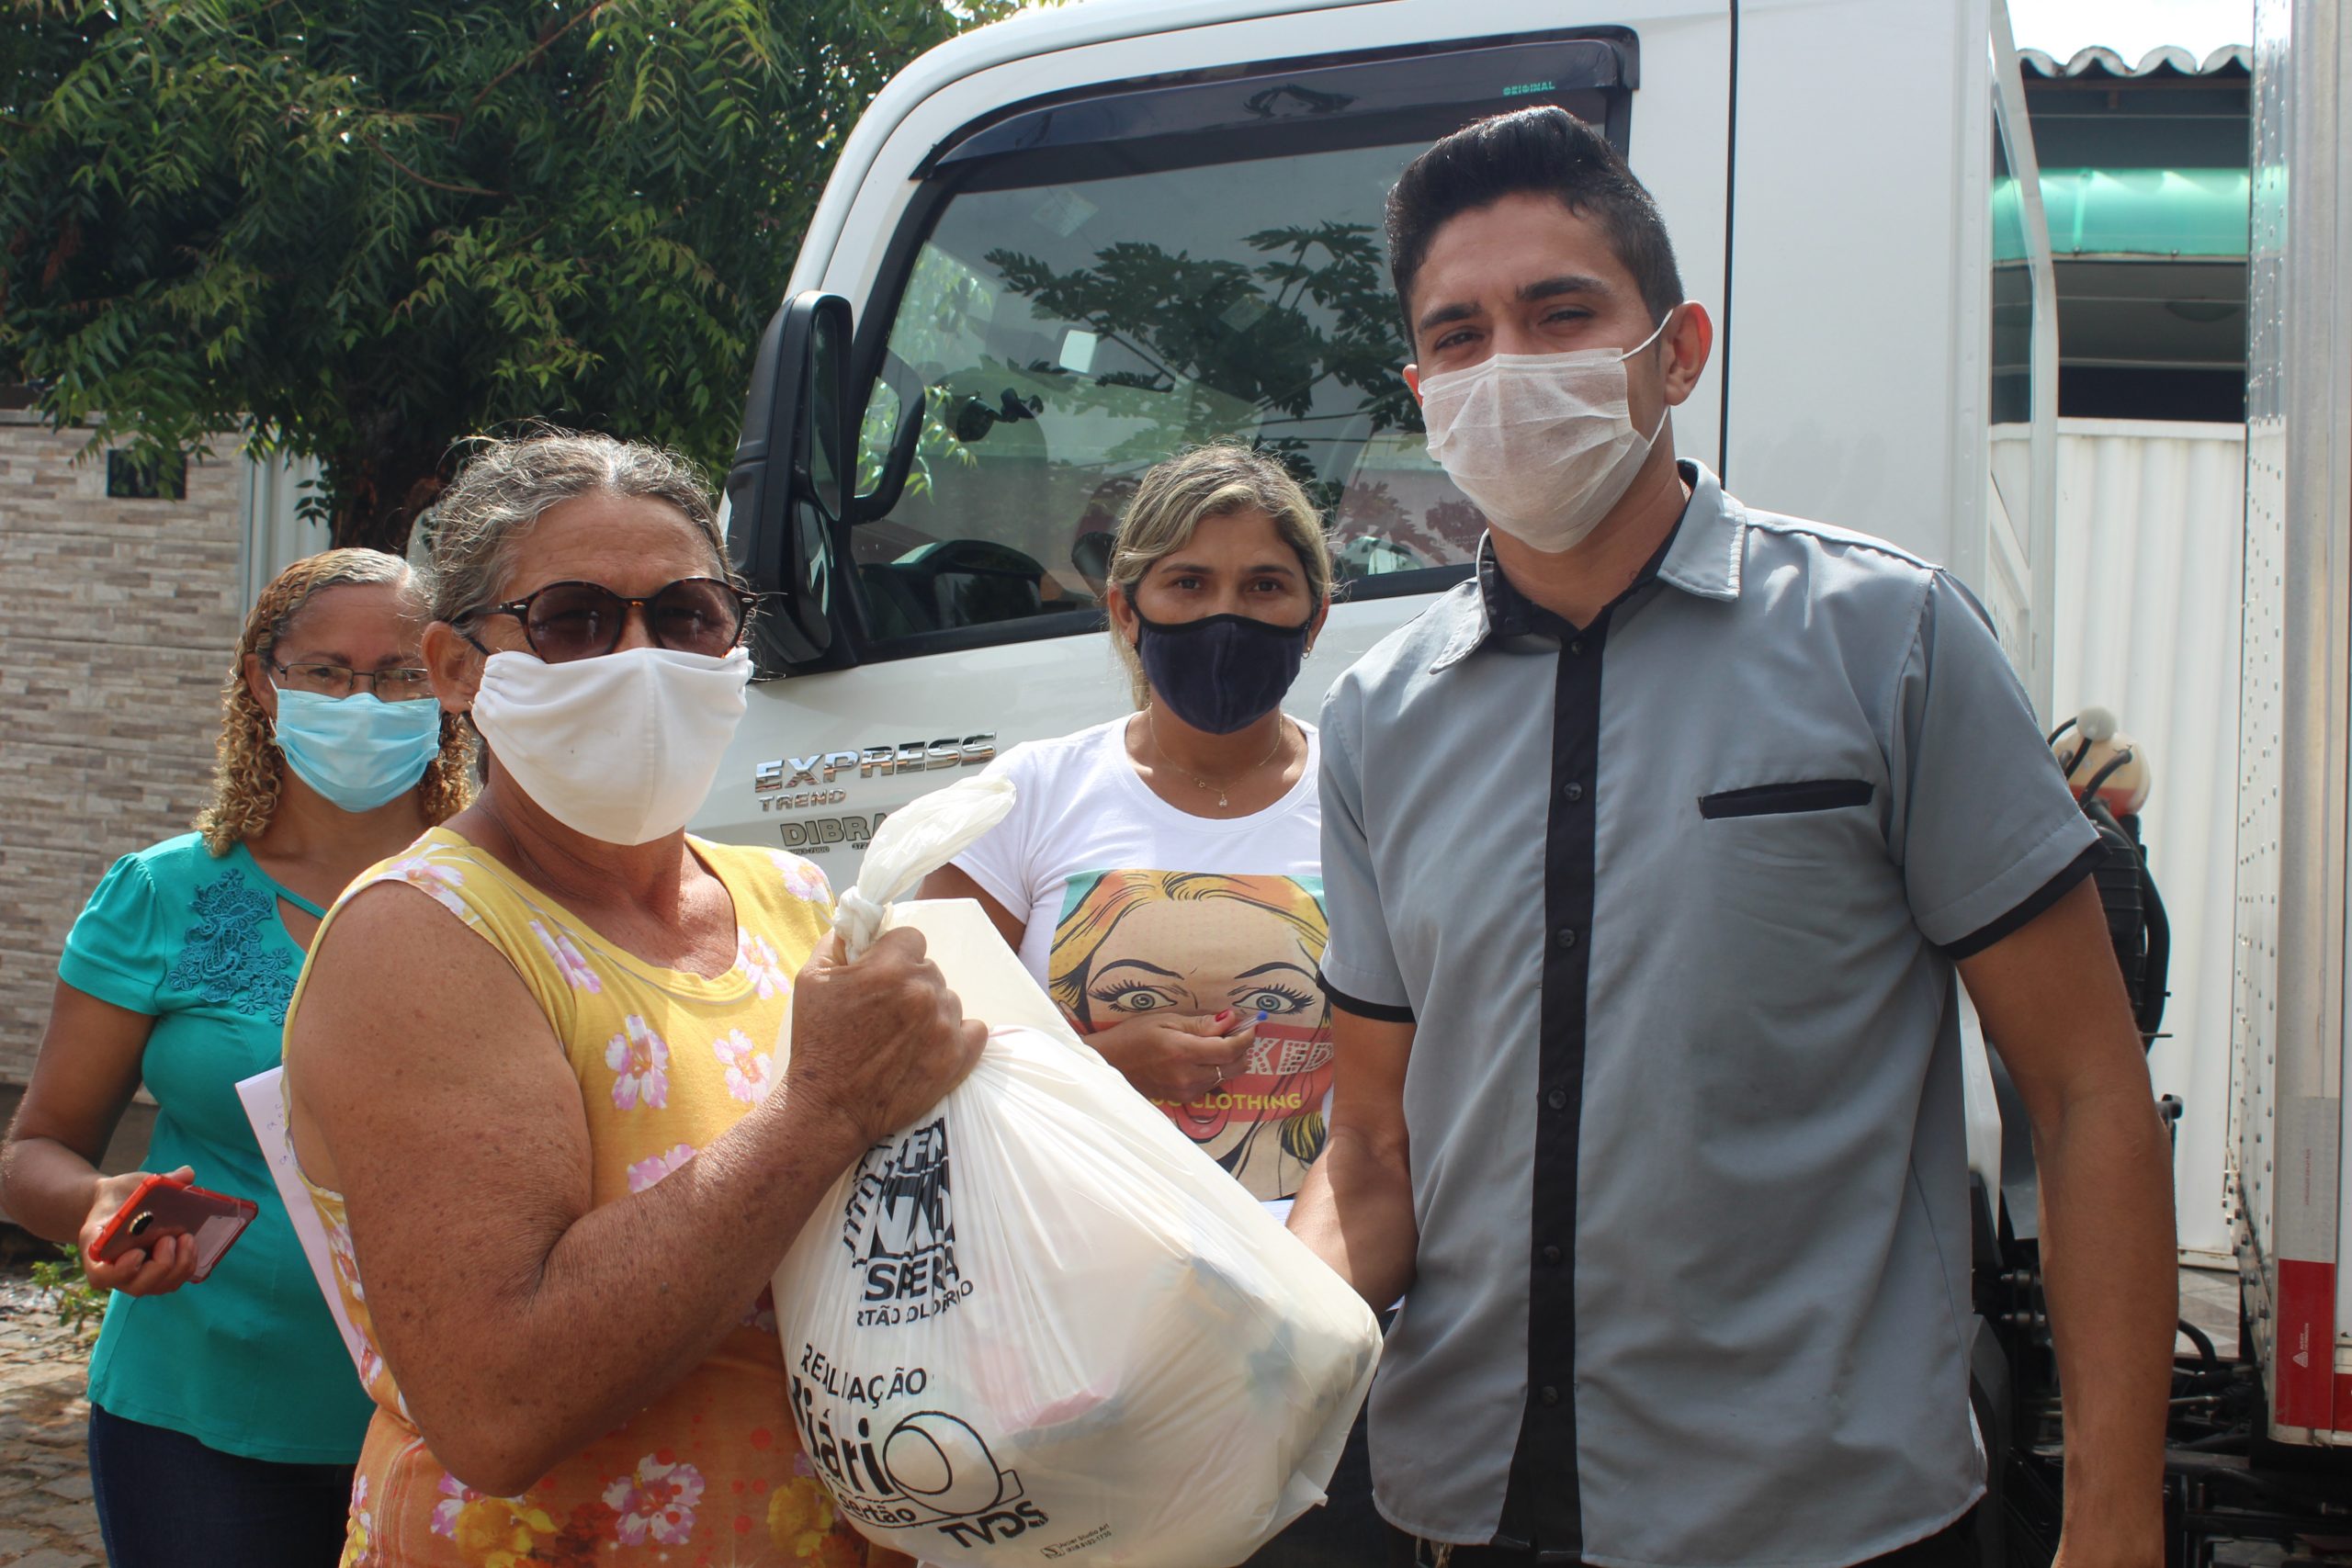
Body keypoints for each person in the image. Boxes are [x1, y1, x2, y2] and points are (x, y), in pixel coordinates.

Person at [1286, 107, 2177, 1567]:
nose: (1508, 366)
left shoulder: (1886, 641)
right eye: (1459, 335)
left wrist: (2115, 1520)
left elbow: (2084, 1089)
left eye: (1561, 314)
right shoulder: (1382, 719)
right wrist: (1252, 1332)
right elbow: (1374, 1142)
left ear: (1679, 350)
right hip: (1474, 1508)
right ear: (1422, 389)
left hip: (1826, 1521)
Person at [277, 432, 978, 1568]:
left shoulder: (794, 899)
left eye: (689, 616)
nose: (643, 659)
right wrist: (823, 1107)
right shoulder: (424, 935)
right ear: (456, 668)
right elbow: (499, 1406)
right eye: (575, 619)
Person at [920, 443, 1378, 1565]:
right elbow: (910, 1057)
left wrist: (1292, 1318)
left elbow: (1406, 1101)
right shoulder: (1030, 796)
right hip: (1071, 1334)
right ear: (1126, 610)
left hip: (1311, 1324)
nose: (1227, 616)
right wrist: (1095, 1062)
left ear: (1315, 617)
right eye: (1188, 584)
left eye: (1264, 586)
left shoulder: (1372, 799)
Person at [1, 547, 473, 1566]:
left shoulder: (513, 888)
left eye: (400, 674)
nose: (363, 702)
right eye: (326, 672)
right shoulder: (162, 892)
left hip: (464, 1424)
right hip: (200, 1423)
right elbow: (34, 1150)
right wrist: (94, 1204)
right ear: (263, 682)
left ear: (450, 681)